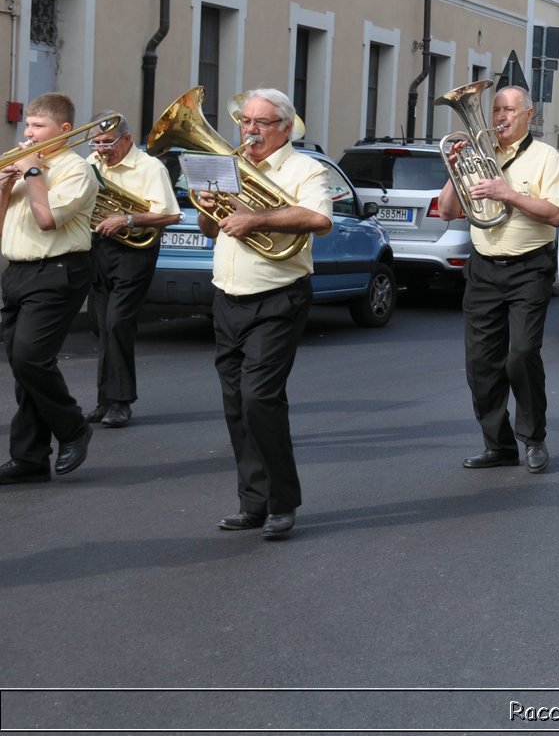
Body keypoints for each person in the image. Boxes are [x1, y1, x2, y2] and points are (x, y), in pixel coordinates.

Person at [196, 88, 332, 540]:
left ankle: (282, 502)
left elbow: (318, 219)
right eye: (245, 121)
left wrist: (256, 218)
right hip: (226, 296)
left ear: (285, 128)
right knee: (235, 405)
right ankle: (251, 503)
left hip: (278, 297)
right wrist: (206, 202)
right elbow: (209, 226)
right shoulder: (230, 165)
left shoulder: (304, 169)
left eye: (260, 123)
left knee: (260, 398)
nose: (249, 130)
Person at [440, 85, 559, 475]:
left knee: (522, 354)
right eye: (495, 109)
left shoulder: (547, 157)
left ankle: (534, 438)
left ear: (529, 115)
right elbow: (447, 211)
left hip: (529, 268)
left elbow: (554, 214)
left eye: (508, 110)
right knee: (481, 362)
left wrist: (506, 194)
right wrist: (453, 168)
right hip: (484, 268)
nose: (499, 118)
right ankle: (498, 445)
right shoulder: (477, 155)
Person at [0, 93, 98, 485]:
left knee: (30, 358)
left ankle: (73, 427)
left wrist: (33, 174)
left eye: (38, 127)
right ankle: (30, 458)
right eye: (27, 126)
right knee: (24, 368)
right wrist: (6, 186)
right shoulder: (24, 168)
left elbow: (45, 220)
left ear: (65, 131)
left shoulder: (77, 171)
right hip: (18, 272)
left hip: (58, 270)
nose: (28, 133)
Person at [86, 115, 181, 428]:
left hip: (134, 251)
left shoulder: (149, 167)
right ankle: (104, 399)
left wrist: (126, 219)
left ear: (126, 140)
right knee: (101, 325)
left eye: (107, 143)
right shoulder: (92, 162)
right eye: (96, 143)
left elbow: (169, 214)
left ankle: (122, 402)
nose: (101, 150)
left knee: (117, 323)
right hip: (99, 247)